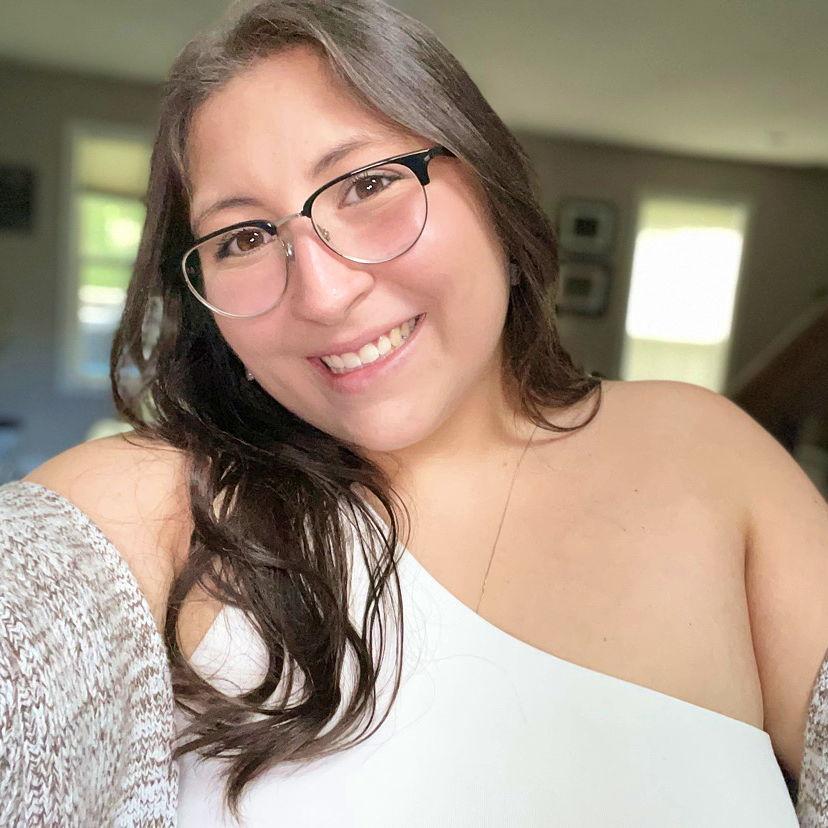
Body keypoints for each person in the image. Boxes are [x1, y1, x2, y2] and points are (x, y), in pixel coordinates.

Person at [1, 1, 827, 825]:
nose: (323, 293)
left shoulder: (706, 453)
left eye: (368, 184)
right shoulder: (164, 507)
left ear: (493, 191)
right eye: (243, 238)